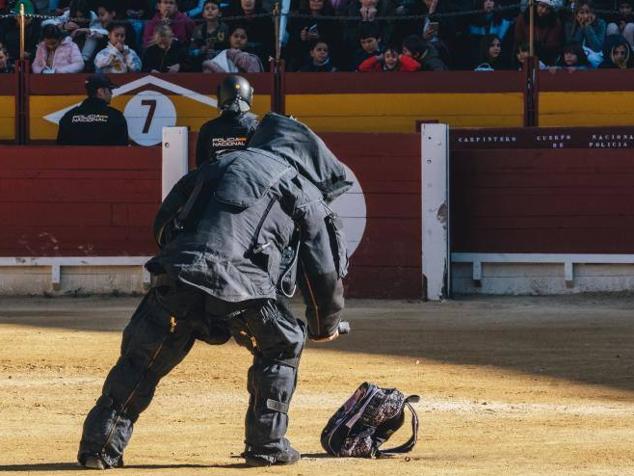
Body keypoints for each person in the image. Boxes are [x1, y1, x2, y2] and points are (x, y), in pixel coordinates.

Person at [76, 110, 349, 470]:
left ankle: (100, 448)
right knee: (281, 345)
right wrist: (322, 325)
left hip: (179, 279)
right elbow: (322, 269)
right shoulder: (302, 187)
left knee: (141, 361)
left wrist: (181, 263)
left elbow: (163, 224)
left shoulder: (218, 165)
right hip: (247, 291)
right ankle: (266, 445)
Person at [195, 75, 259, 167]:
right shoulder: (255, 127)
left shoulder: (207, 128)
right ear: (249, 95)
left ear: (221, 95)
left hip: (214, 180)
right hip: (243, 179)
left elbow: (200, 163)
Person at [57, 73, 128, 145]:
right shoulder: (116, 117)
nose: (111, 93)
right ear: (101, 91)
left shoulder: (68, 117)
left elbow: (60, 149)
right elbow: (122, 151)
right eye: (109, 89)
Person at [513, 0, 563, 65]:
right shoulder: (523, 18)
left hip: (544, 59)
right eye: (542, 6)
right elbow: (518, 39)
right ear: (536, 4)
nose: (544, 11)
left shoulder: (555, 22)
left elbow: (552, 45)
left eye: (548, 9)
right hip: (524, 56)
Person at [189, 0, 229, 71]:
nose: (210, 11)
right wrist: (201, 50)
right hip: (201, 62)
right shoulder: (197, 29)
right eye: (207, 9)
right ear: (203, 14)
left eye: (213, 8)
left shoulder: (225, 28)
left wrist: (216, 52)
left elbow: (229, 48)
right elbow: (191, 51)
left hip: (222, 62)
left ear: (220, 13)